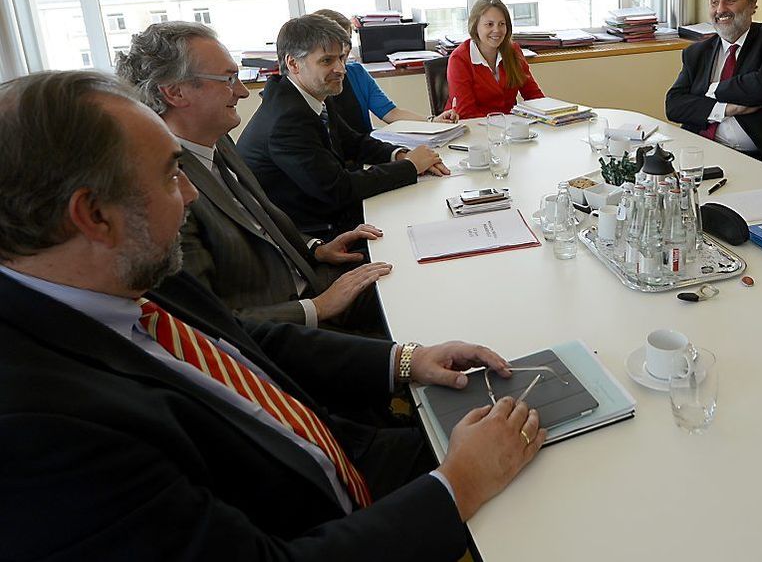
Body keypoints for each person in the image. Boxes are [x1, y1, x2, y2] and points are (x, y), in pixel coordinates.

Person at [0, 69, 545, 560]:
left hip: (340, 452)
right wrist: (460, 485)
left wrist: (408, 360)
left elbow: (250, 341)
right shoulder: (39, 431)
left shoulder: (121, 274)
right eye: (170, 176)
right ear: (94, 215)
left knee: (548, 418)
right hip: (325, 522)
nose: (190, 193)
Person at [116, 21, 391, 334]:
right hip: (292, 327)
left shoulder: (218, 141)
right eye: (228, 79)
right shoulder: (164, 190)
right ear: (175, 92)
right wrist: (318, 307)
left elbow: (259, 223)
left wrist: (315, 248)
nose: (243, 92)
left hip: (312, 276)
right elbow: (210, 321)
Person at [239, 14, 449, 237]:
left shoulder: (311, 93)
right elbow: (338, 189)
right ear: (293, 63)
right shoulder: (286, 120)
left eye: (341, 58)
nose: (341, 69)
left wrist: (402, 155)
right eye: (327, 61)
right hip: (314, 234)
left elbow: (353, 142)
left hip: (328, 214)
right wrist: (410, 167)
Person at [665, 0, 762, 168]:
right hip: (701, 149)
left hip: (757, 159)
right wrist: (726, 108)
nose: (720, 10)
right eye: (714, 2)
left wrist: (712, 89)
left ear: (752, 4)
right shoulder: (697, 52)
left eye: (730, 0)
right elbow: (674, 105)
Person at [311, 9, 458, 133]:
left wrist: (432, 121)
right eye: (336, 42)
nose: (343, 48)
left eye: (347, 39)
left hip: (364, 153)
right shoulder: (308, 84)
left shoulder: (356, 73)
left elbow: (391, 113)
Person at [444, 0, 545, 119]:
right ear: (475, 26)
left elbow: (534, 95)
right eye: (489, 24)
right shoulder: (460, 59)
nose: (497, 30)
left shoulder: (513, 51)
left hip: (510, 130)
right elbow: (466, 113)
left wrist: (548, 115)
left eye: (501, 24)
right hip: (473, 131)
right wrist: (505, 125)